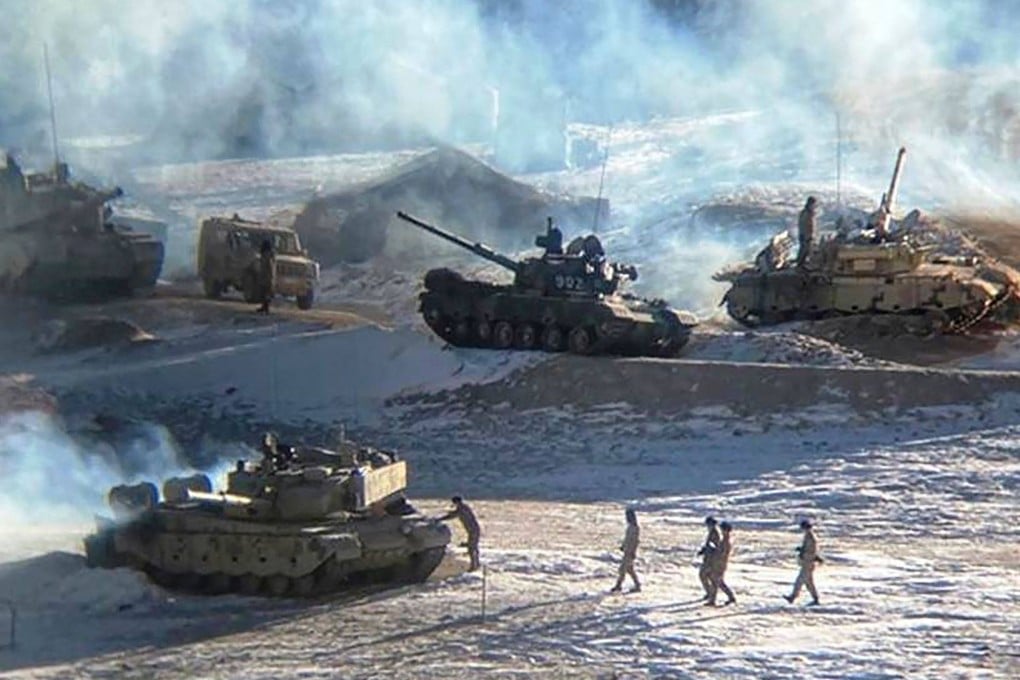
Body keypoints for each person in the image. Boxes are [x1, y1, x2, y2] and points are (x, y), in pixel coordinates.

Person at [784, 519, 823, 605]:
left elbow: (811, 551)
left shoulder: (811, 538)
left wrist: (803, 552)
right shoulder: (808, 536)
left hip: (808, 563)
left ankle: (793, 597)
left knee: (800, 580)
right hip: (807, 563)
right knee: (809, 583)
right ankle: (815, 598)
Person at [439, 496, 481, 571]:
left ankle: (474, 565)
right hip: (473, 529)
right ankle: (476, 563)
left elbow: (452, 515)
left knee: (472, 548)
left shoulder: (462, 509)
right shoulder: (464, 507)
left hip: (473, 530)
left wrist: (440, 519)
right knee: (473, 547)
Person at [610, 508, 641, 593]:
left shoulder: (635, 528)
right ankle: (637, 585)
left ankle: (618, 585)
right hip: (627, 550)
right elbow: (627, 539)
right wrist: (623, 546)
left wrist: (632, 551)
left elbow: (634, 541)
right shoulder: (630, 527)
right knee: (629, 569)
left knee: (622, 569)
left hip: (629, 552)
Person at [706, 521, 736, 606]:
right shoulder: (724, 540)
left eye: (722, 529)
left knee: (718, 581)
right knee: (716, 581)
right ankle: (713, 599)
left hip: (720, 564)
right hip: (718, 563)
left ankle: (730, 597)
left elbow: (722, 554)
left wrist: (713, 551)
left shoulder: (726, 542)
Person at [698, 516, 721, 600]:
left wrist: (708, 550)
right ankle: (710, 593)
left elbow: (715, 547)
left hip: (711, 559)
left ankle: (710, 593)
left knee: (704, 575)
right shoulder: (712, 532)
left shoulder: (715, 533)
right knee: (706, 576)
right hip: (708, 558)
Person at [796, 196, 818, 268]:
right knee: (804, 250)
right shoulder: (806, 213)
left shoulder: (809, 213)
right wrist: (807, 236)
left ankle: (802, 264)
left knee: (807, 250)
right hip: (805, 236)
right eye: (814, 204)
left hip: (807, 236)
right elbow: (805, 225)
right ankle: (800, 265)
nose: (815, 206)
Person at [256, 239, 276, 314]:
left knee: (266, 294)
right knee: (264, 294)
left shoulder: (267, 256)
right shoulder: (268, 255)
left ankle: (266, 308)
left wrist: (269, 278)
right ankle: (264, 307)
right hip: (266, 277)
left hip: (266, 278)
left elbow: (269, 268)